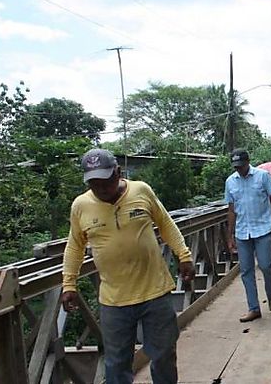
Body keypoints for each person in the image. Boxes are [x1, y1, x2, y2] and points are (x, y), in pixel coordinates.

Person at [61, 148, 195, 384]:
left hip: (155, 292)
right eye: (94, 183)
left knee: (163, 355)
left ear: (118, 172)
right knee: (116, 363)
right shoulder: (80, 206)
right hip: (114, 300)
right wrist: (68, 284)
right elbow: (75, 247)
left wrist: (184, 255)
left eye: (105, 180)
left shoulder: (141, 190)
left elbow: (165, 224)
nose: (101, 188)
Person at [224, 149, 271, 322]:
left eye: (241, 166)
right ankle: (254, 308)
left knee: (265, 265)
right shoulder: (230, 182)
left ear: (248, 162)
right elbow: (231, 210)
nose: (239, 170)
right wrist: (230, 235)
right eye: (236, 167)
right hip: (243, 232)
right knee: (246, 271)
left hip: (263, 229)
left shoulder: (263, 176)